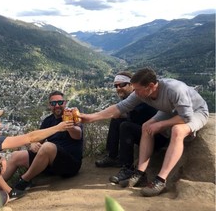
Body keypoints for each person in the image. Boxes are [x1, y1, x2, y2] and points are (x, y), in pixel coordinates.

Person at [79, 67, 209, 197]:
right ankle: (140, 173)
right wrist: (91, 118)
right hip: (170, 110)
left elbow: (186, 117)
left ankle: (161, 180)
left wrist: (161, 124)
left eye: (137, 89)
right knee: (146, 126)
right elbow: (119, 108)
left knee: (177, 130)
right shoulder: (142, 92)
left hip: (196, 111)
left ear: (151, 86)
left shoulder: (174, 89)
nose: (135, 92)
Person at [0, 90, 83, 192]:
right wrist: (33, 144)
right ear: (49, 105)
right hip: (52, 164)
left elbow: (77, 135)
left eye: (60, 102)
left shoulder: (72, 117)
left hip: (70, 165)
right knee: (15, 156)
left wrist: (69, 126)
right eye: (53, 103)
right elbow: (38, 139)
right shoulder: (48, 121)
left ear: (65, 103)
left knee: (47, 147)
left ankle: (24, 181)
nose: (57, 105)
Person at [95, 71, 160, 168]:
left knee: (125, 126)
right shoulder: (130, 98)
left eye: (122, 85)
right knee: (116, 120)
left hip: (154, 136)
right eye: (116, 86)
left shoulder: (140, 97)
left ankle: (126, 166)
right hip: (142, 129)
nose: (118, 88)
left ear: (132, 85)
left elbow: (133, 115)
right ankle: (112, 156)